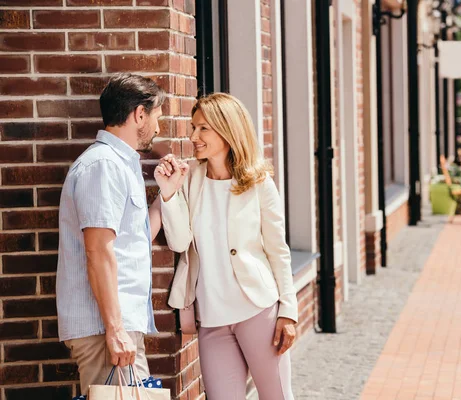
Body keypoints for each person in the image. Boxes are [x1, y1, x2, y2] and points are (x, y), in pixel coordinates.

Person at [155, 92, 297, 400]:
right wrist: (168, 194)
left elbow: (278, 251)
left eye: (203, 128)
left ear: (227, 129)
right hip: (213, 319)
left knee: (277, 396)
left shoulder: (258, 182)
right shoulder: (190, 177)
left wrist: (288, 311)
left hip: (258, 311)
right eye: (194, 127)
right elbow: (180, 242)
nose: (194, 136)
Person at [56, 73, 166, 395]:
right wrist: (115, 330)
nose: (158, 128)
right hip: (106, 330)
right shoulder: (103, 166)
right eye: (157, 116)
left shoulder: (119, 164)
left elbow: (131, 243)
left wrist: (164, 196)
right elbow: (98, 251)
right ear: (139, 114)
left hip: (118, 328)